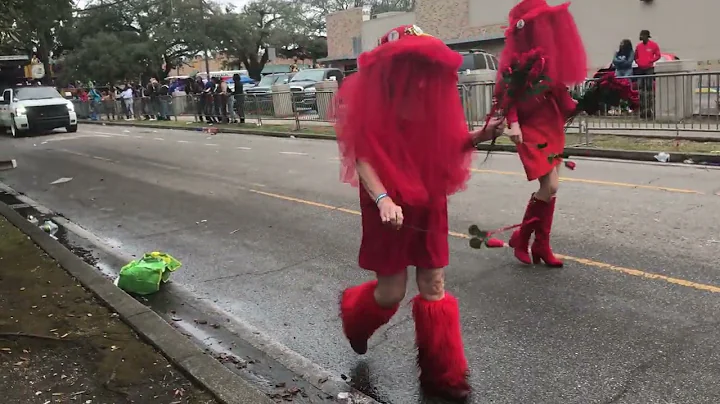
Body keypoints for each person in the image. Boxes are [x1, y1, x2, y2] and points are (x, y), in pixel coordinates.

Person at [333, 25, 505, 400]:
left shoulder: (432, 98)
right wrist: (383, 200)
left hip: (428, 200)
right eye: (409, 61)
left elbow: (443, 144)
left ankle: (443, 377)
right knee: (390, 293)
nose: (418, 72)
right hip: (386, 205)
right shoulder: (373, 101)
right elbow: (363, 159)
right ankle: (355, 316)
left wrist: (479, 135)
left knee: (434, 286)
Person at [495, 0, 587, 267]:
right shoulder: (514, 61)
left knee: (551, 188)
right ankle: (524, 239)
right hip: (530, 129)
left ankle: (540, 245)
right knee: (551, 185)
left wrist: (592, 101)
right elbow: (507, 96)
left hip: (551, 127)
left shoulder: (550, 60)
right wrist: (513, 124)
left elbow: (565, 101)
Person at [634, 29, 661, 118]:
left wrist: (651, 60)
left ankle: (650, 108)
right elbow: (635, 56)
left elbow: (658, 55)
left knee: (649, 88)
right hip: (640, 69)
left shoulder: (653, 45)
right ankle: (642, 108)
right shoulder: (638, 46)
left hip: (649, 68)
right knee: (640, 88)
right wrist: (638, 61)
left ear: (647, 36)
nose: (641, 37)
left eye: (643, 35)